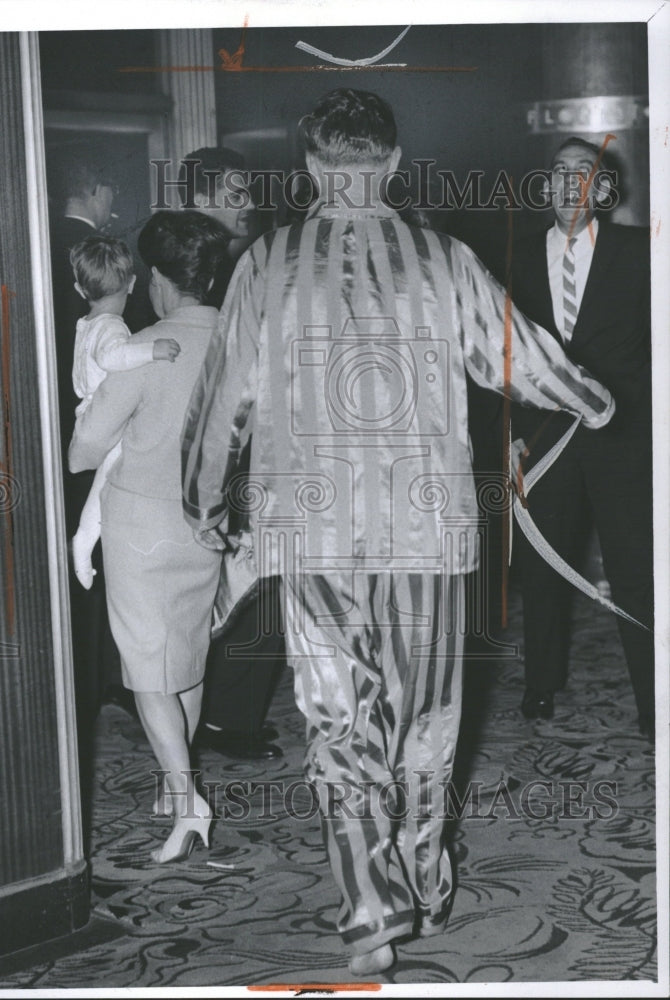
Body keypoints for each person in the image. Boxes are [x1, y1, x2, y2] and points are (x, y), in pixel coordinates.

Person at [180, 89, 615, 974]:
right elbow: (521, 358)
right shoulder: (441, 258)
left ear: (309, 169)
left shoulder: (266, 260)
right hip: (426, 527)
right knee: (428, 717)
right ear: (390, 162)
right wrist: (594, 401)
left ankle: (368, 908)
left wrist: (202, 505)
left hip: (311, 528)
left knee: (337, 721)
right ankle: (423, 876)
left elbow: (223, 394)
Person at [69, 210, 230, 863]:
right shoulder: (241, 341)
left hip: (141, 526)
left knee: (148, 672)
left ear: (160, 278)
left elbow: (83, 453)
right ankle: (175, 787)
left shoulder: (142, 349)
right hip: (209, 523)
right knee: (185, 656)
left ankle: (189, 802)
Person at [509, 136, 654, 736]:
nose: (570, 183)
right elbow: (501, 354)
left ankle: (654, 699)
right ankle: (541, 685)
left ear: (602, 190)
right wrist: (511, 437)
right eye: (559, 173)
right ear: (545, 188)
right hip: (542, 442)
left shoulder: (642, 251)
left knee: (637, 571)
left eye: (584, 173)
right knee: (543, 570)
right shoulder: (510, 257)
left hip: (625, 441)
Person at [179, 146, 286, 760]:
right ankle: (219, 716)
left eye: (249, 192)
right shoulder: (189, 268)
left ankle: (229, 713)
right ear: (200, 200)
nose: (249, 205)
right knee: (239, 586)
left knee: (260, 582)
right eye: (235, 194)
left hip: (253, 451)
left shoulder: (249, 258)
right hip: (211, 453)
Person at [48, 155, 128, 829]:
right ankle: (111, 672)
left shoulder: (76, 298)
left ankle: (104, 670)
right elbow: (119, 360)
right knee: (104, 498)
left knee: (94, 508)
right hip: (103, 427)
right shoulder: (112, 320)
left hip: (77, 420)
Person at [68, 235, 181, 588]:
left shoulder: (87, 323)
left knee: (106, 482)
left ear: (78, 288)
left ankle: (87, 540)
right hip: (105, 416)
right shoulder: (112, 327)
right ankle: (84, 541)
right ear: (133, 283)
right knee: (108, 481)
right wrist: (153, 350)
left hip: (91, 410)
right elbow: (112, 357)